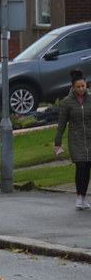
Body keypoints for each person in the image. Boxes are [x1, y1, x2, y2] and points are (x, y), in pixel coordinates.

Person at [54, 69, 91, 209]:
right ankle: (79, 198)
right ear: (73, 88)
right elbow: (62, 124)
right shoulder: (67, 103)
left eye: (83, 86)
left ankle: (84, 197)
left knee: (87, 167)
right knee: (81, 166)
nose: (81, 89)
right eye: (78, 87)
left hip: (90, 138)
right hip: (76, 140)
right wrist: (57, 143)